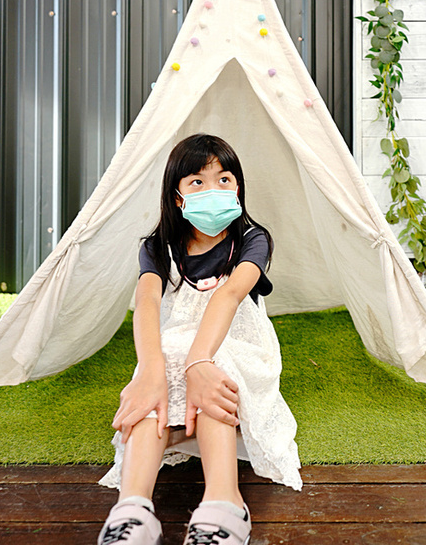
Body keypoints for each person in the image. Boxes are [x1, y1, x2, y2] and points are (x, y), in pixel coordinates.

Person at [97, 133, 301, 545]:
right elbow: (148, 304)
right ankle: (132, 510)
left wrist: (199, 363)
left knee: (212, 366)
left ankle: (224, 503)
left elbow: (227, 296)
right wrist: (151, 371)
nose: (214, 190)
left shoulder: (251, 240)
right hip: (178, 344)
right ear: (177, 197)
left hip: (235, 343)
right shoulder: (159, 246)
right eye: (197, 182)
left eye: (224, 179)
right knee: (158, 363)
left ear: (239, 187)